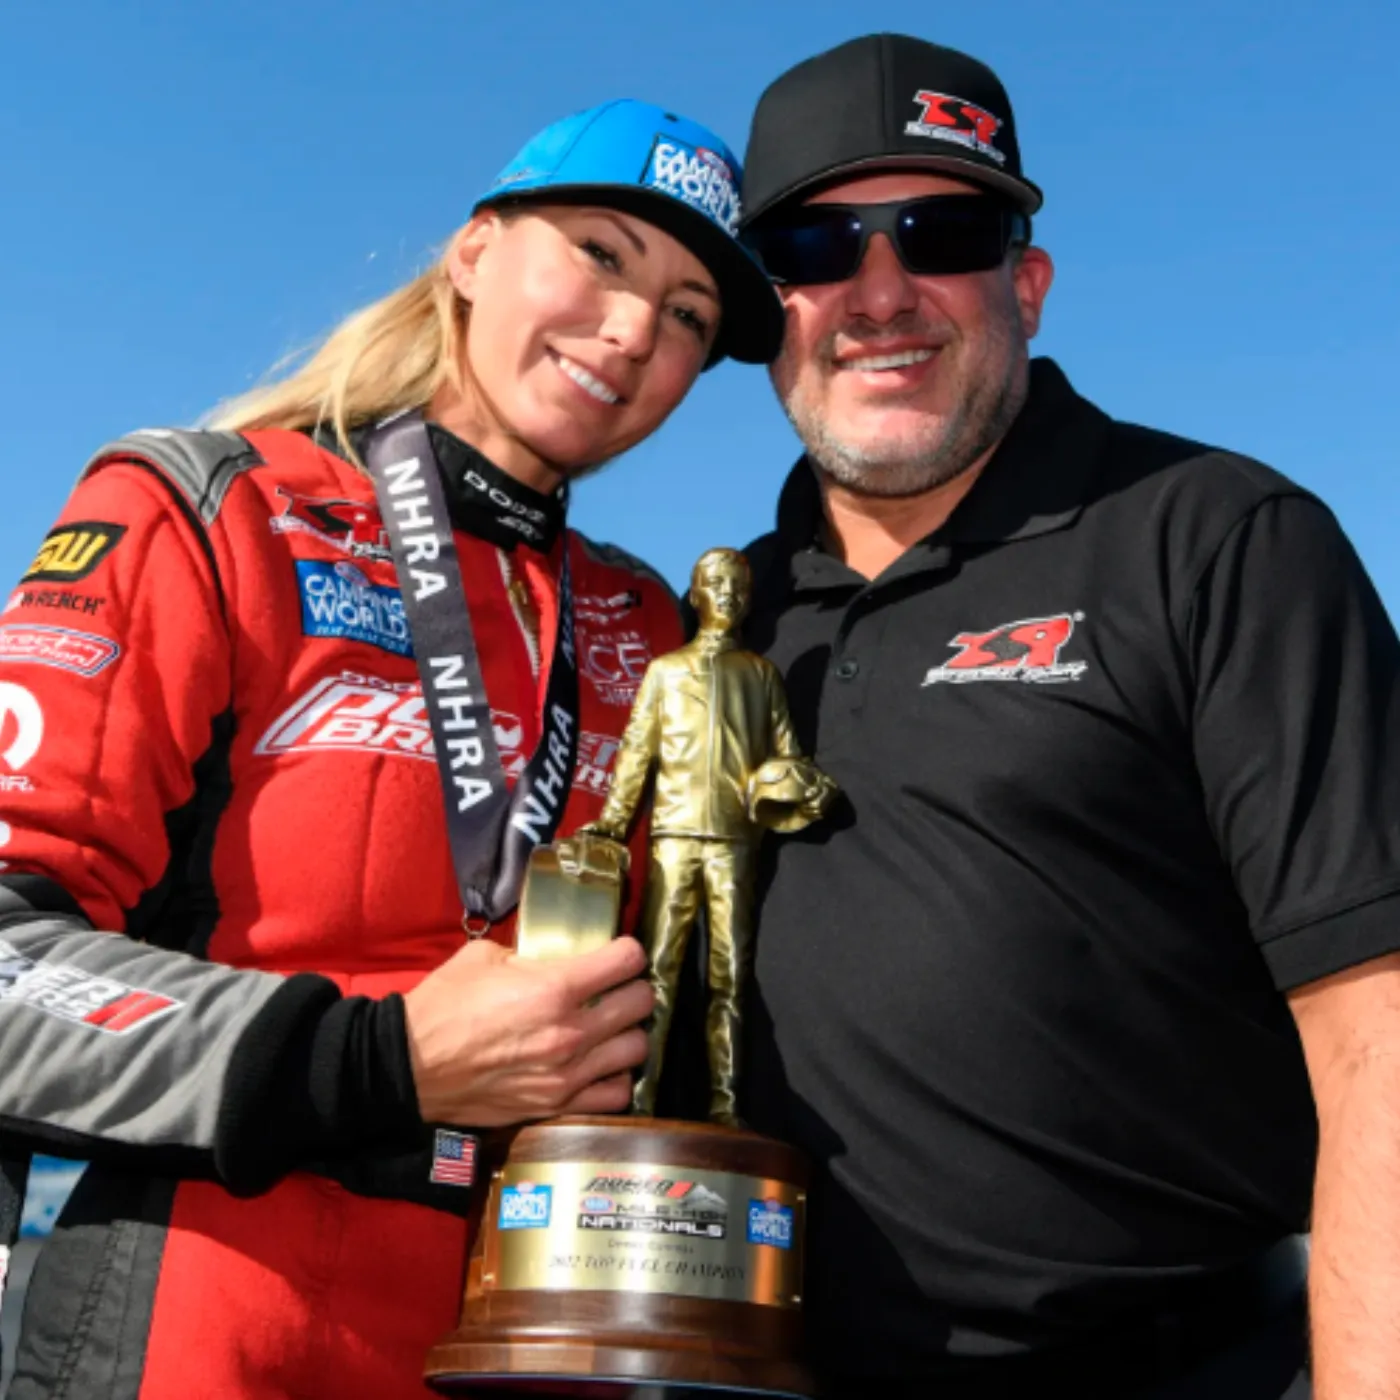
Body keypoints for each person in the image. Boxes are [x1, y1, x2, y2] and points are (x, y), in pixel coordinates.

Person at [0, 98, 782, 1399]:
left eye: (692, 314)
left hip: (545, 1332)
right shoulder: (209, 509)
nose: (639, 327)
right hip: (206, 1318)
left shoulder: (650, 622)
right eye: (601, 252)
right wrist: (381, 1060)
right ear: (473, 255)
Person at [733, 33, 1400, 1399]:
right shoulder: (726, 621)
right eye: (815, 247)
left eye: (942, 232)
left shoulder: (1220, 539)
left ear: (1025, 283)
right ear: (767, 312)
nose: (879, 293)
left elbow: (1379, 1030)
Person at [575, 547, 835, 1125]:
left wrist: (805, 788)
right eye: (716, 584)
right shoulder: (665, 672)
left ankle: (726, 1105)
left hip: (736, 845)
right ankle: (639, 1100)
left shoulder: (762, 676)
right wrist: (614, 823)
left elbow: (788, 755)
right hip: (673, 838)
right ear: (694, 595)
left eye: (739, 586)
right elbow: (636, 754)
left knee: (732, 977)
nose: (729, 595)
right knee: (657, 972)